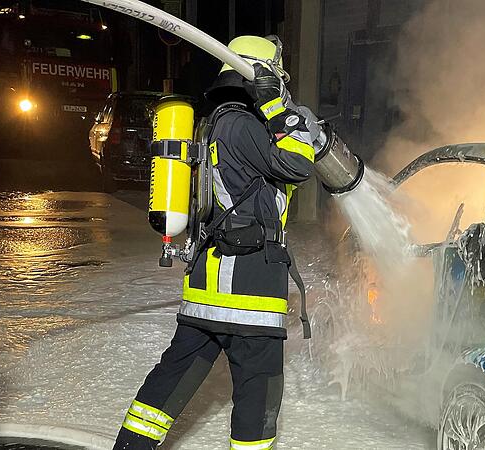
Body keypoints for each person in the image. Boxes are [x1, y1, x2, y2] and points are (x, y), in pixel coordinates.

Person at [113, 35, 315, 450]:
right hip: (250, 294)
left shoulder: (212, 121)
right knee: (257, 408)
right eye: (275, 77)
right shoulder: (242, 124)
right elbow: (296, 164)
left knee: (167, 386)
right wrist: (279, 109)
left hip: (207, 288)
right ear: (262, 77)